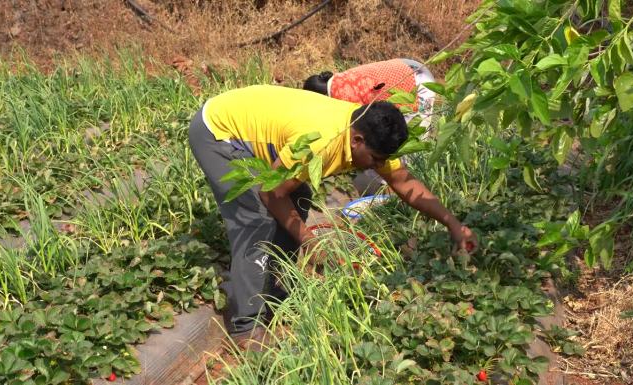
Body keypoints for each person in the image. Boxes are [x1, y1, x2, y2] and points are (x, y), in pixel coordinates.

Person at [188, 85, 476, 350]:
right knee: (257, 220)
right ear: (357, 140)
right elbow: (271, 193)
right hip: (219, 132)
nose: (378, 167)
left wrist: (453, 223)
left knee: (297, 202)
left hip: (263, 132)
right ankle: (247, 328)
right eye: (375, 159)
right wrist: (309, 241)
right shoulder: (322, 142)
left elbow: (403, 182)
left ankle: (273, 301)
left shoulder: (365, 131)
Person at [303, 58, 436, 195]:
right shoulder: (336, 82)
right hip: (409, 67)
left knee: (404, 150)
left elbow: (366, 130)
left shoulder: (341, 95)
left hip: (418, 83)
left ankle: (396, 199)